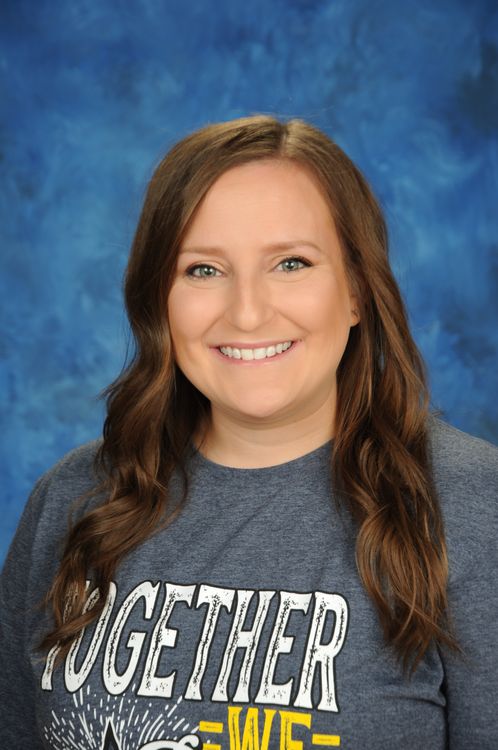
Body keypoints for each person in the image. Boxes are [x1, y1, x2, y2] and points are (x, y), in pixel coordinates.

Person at [0, 115, 496, 750]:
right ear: (160, 300)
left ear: (357, 293)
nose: (248, 312)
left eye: (291, 262)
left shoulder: (472, 507)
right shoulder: (72, 501)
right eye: (203, 270)